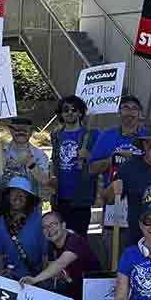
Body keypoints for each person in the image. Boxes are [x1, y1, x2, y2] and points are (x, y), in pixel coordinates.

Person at [20, 210, 101, 300]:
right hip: (74, 292)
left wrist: (34, 279)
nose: (49, 230)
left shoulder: (74, 241)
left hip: (94, 297)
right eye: (45, 227)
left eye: (53, 225)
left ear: (63, 225)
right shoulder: (51, 244)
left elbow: (60, 263)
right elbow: (54, 268)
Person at [49, 95, 96, 236]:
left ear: (80, 112)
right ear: (61, 113)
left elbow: (101, 164)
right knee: (59, 239)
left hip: (81, 198)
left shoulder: (91, 135)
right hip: (59, 197)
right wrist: (51, 177)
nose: (70, 112)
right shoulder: (56, 135)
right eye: (65, 109)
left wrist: (88, 156)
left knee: (79, 240)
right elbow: (54, 160)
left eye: (74, 109)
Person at [0, 178, 47, 280]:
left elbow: (45, 255)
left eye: (23, 193)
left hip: (34, 280)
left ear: (28, 198)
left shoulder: (39, 221)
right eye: (14, 192)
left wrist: (43, 282)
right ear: (7, 196)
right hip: (8, 280)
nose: (18, 196)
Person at [0, 116, 51, 200]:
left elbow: (45, 181)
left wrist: (32, 165)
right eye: (17, 130)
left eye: (25, 130)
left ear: (31, 132)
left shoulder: (40, 155)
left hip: (30, 207)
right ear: (11, 130)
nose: (21, 132)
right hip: (0, 205)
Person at [87, 95, 146, 177]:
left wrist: (134, 158)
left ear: (140, 114)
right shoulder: (106, 136)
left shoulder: (148, 136)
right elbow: (91, 169)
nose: (130, 112)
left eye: (134, 108)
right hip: (113, 188)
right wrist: (114, 159)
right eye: (126, 107)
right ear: (118, 113)